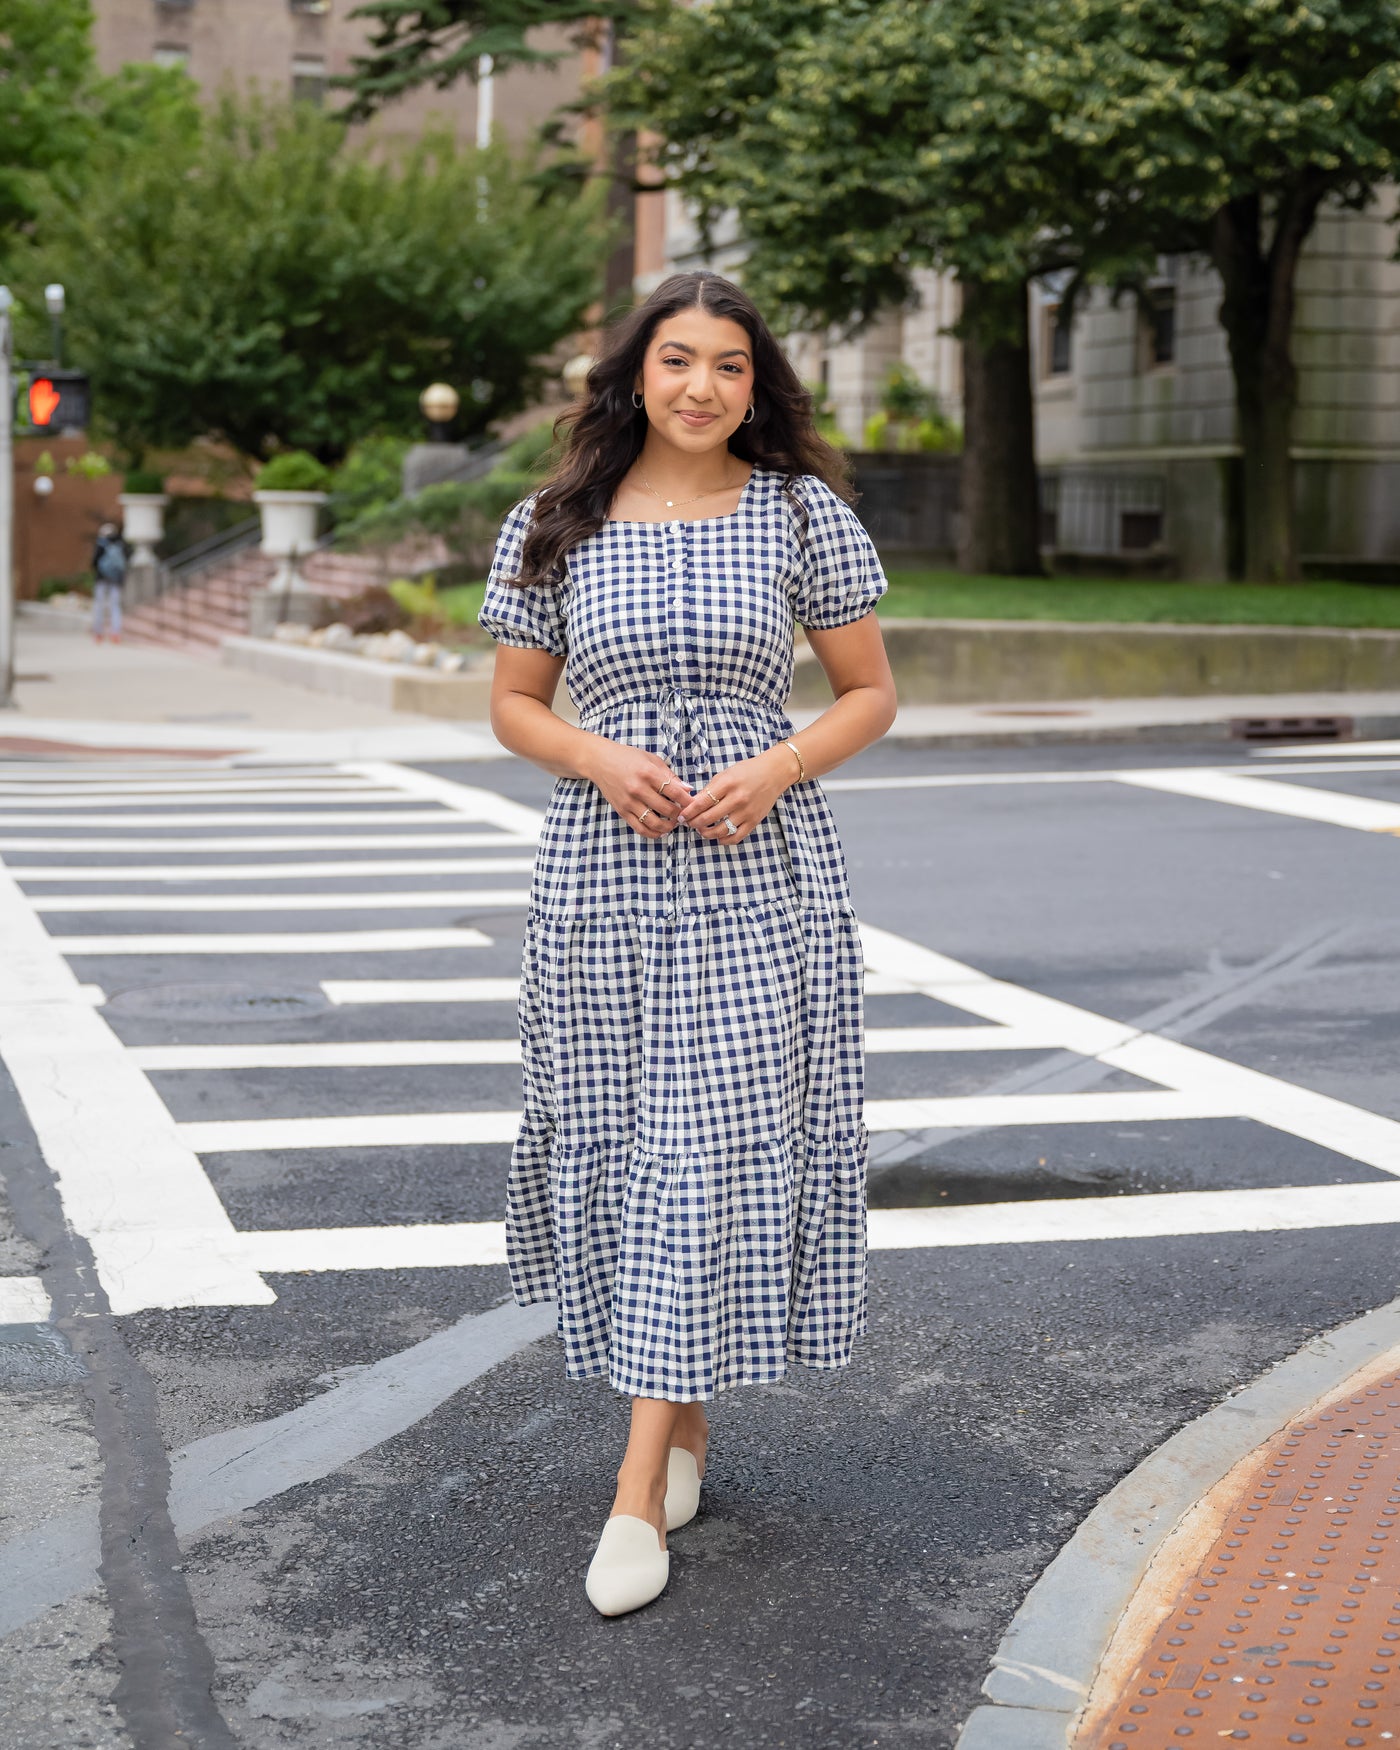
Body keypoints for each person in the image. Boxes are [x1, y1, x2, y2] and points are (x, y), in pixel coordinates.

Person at [477, 272, 898, 1618]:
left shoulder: (797, 511)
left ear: (756, 383)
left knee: (705, 1141)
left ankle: (632, 1483)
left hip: (755, 871)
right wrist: (600, 757)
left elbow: (871, 692)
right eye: (677, 360)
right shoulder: (556, 522)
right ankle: (689, 1426)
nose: (703, 386)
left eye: (729, 364)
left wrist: (776, 765)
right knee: (637, 1136)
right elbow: (514, 708)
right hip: (605, 877)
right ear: (635, 375)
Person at [91, 523, 128, 643]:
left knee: (99, 606)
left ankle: (98, 633)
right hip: (116, 580)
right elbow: (125, 563)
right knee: (115, 606)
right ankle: (115, 633)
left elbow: (94, 562)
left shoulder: (101, 544)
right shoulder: (120, 545)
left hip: (101, 579)